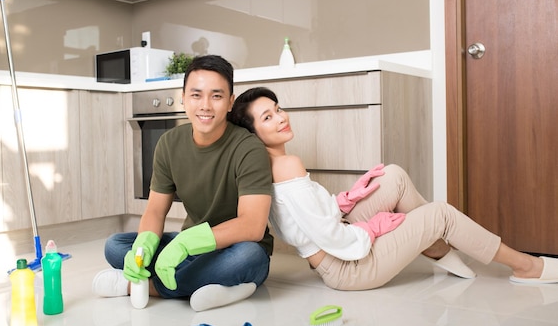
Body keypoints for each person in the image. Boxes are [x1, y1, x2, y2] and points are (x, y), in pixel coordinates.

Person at [227, 87, 558, 290]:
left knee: (393, 176)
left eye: (278, 109)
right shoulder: (287, 165)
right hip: (347, 268)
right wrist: (372, 228)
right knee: (440, 213)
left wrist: (347, 198)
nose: (281, 118)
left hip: (336, 246)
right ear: (254, 133)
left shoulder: (271, 165)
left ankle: (435, 248)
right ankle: (527, 267)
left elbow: (305, 219)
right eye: (267, 118)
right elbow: (327, 236)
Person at [92, 56, 274, 311]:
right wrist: (145, 245)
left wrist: (185, 244)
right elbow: (155, 210)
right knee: (116, 245)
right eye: (197, 95)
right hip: (191, 245)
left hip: (236, 247)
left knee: (248, 258)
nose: (205, 106)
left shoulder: (248, 148)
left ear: (231, 102)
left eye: (217, 96)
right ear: (184, 98)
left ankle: (139, 286)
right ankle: (216, 286)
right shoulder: (169, 143)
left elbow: (253, 226)